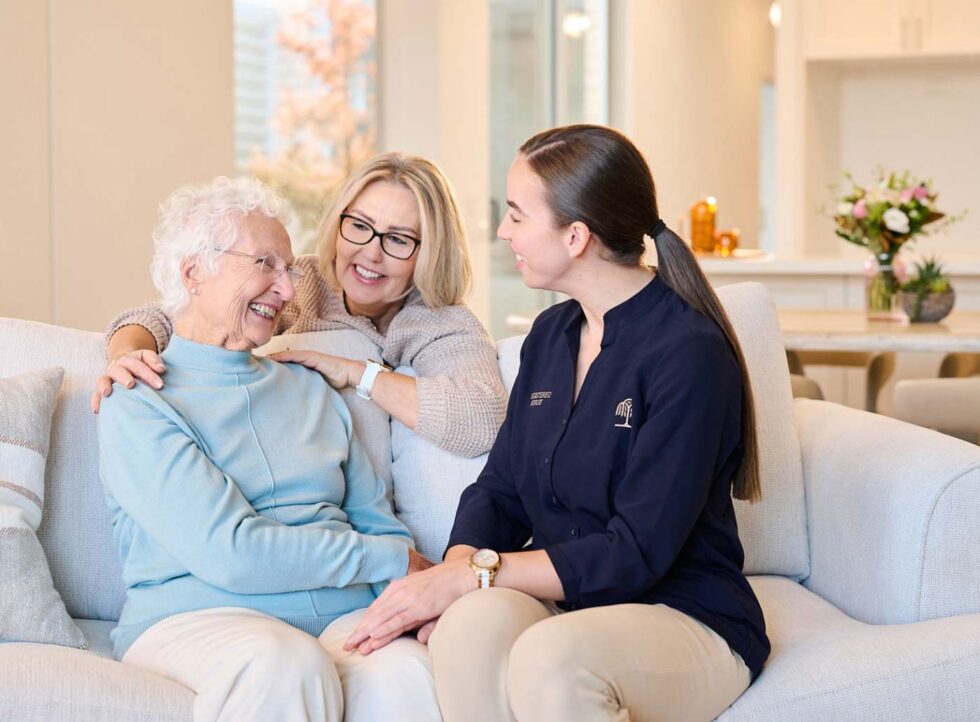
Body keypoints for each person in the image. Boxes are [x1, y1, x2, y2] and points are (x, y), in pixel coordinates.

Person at [342, 125, 771, 722]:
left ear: (575, 236)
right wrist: (452, 577)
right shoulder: (552, 336)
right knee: (467, 626)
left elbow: (637, 552)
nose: (501, 230)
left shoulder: (687, 353)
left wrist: (474, 574)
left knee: (549, 656)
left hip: (684, 611)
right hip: (571, 603)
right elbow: (501, 490)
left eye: (516, 214)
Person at [97, 177, 442, 722]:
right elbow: (231, 552)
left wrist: (409, 599)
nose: (286, 291)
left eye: (289, 269)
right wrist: (392, 560)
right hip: (201, 617)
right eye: (265, 265)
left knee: (410, 672)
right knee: (286, 663)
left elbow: (376, 520)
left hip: (341, 615)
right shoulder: (137, 398)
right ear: (194, 272)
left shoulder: (309, 387)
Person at [93, 153, 506, 459]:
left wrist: (356, 371)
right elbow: (164, 316)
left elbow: (482, 420)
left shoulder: (439, 322)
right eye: (359, 227)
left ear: (431, 252)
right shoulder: (302, 280)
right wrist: (127, 354)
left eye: (398, 239)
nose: (370, 254)